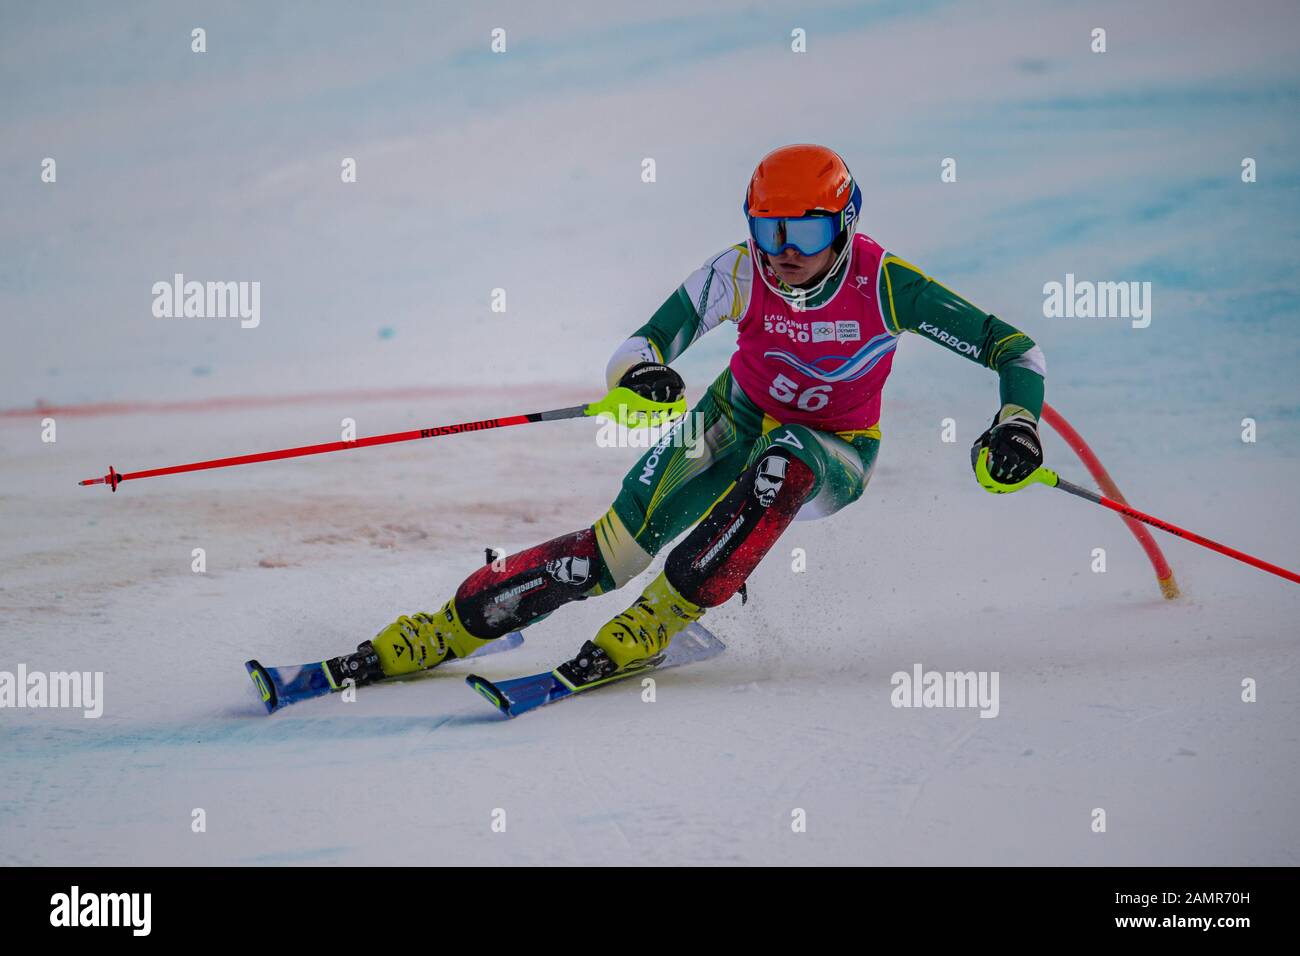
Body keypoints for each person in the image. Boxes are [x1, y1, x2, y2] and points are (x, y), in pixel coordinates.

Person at [353, 143, 1047, 689]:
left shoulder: (887, 284)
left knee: (785, 459)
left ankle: (664, 616)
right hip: (730, 420)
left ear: (844, 225)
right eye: (770, 229)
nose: (787, 250)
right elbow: (642, 344)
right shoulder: (739, 271)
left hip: (835, 451)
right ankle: (451, 627)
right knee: (606, 554)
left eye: (807, 229)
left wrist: (1017, 424)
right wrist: (641, 375)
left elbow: (1014, 349)